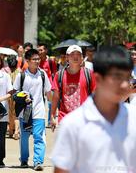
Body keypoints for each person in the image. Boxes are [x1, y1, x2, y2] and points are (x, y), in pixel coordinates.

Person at [51, 45, 136, 173]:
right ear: (98, 78)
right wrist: (53, 115)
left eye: (127, 77)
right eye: (117, 77)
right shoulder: (72, 125)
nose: (125, 84)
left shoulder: (133, 118)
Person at [13, 49, 52, 171]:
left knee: (38, 136)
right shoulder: (21, 75)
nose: (37, 61)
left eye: (38, 59)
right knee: (24, 137)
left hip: (39, 111)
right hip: (25, 112)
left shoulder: (42, 75)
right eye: (34, 59)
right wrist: (23, 96)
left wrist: (54, 108)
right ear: (27, 61)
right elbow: (15, 93)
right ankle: (24, 159)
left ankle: (38, 161)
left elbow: (48, 92)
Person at [50, 45, 96, 131]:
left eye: (78, 54)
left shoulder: (89, 74)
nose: (75, 57)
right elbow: (56, 97)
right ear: (67, 57)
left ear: (82, 57)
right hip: (65, 119)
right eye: (72, 54)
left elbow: (95, 96)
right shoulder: (59, 75)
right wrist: (52, 115)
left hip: (84, 119)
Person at [37, 43, 57, 127]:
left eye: (41, 50)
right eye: (39, 50)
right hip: (40, 85)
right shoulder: (37, 61)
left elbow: (55, 73)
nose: (40, 52)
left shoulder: (50, 61)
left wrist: (54, 85)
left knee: (50, 103)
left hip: (50, 85)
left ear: (45, 50)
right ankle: (40, 120)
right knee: (41, 103)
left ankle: (50, 121)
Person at [6, 55, 20, 140]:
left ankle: (11, 131)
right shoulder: (20, 72)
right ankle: (16, 132)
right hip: (18, 96)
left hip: (8, 96)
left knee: (10, 114)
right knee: (17, 115)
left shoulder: (5, 73)